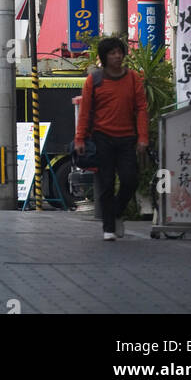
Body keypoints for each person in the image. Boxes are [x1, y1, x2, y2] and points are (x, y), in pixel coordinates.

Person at [74, 36, 149, 241]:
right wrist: (80, 138)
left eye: (119, 52)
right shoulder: (94, 80)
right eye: (112, 53)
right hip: (102, 138)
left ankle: (116, 212)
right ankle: (109, 227)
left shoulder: (133, 78)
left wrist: (143, 137)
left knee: (130, 180)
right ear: (104, 57)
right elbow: (86, 111)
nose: (117, 56)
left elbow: (141, 109)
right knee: (106, 184)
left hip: (127, 138)